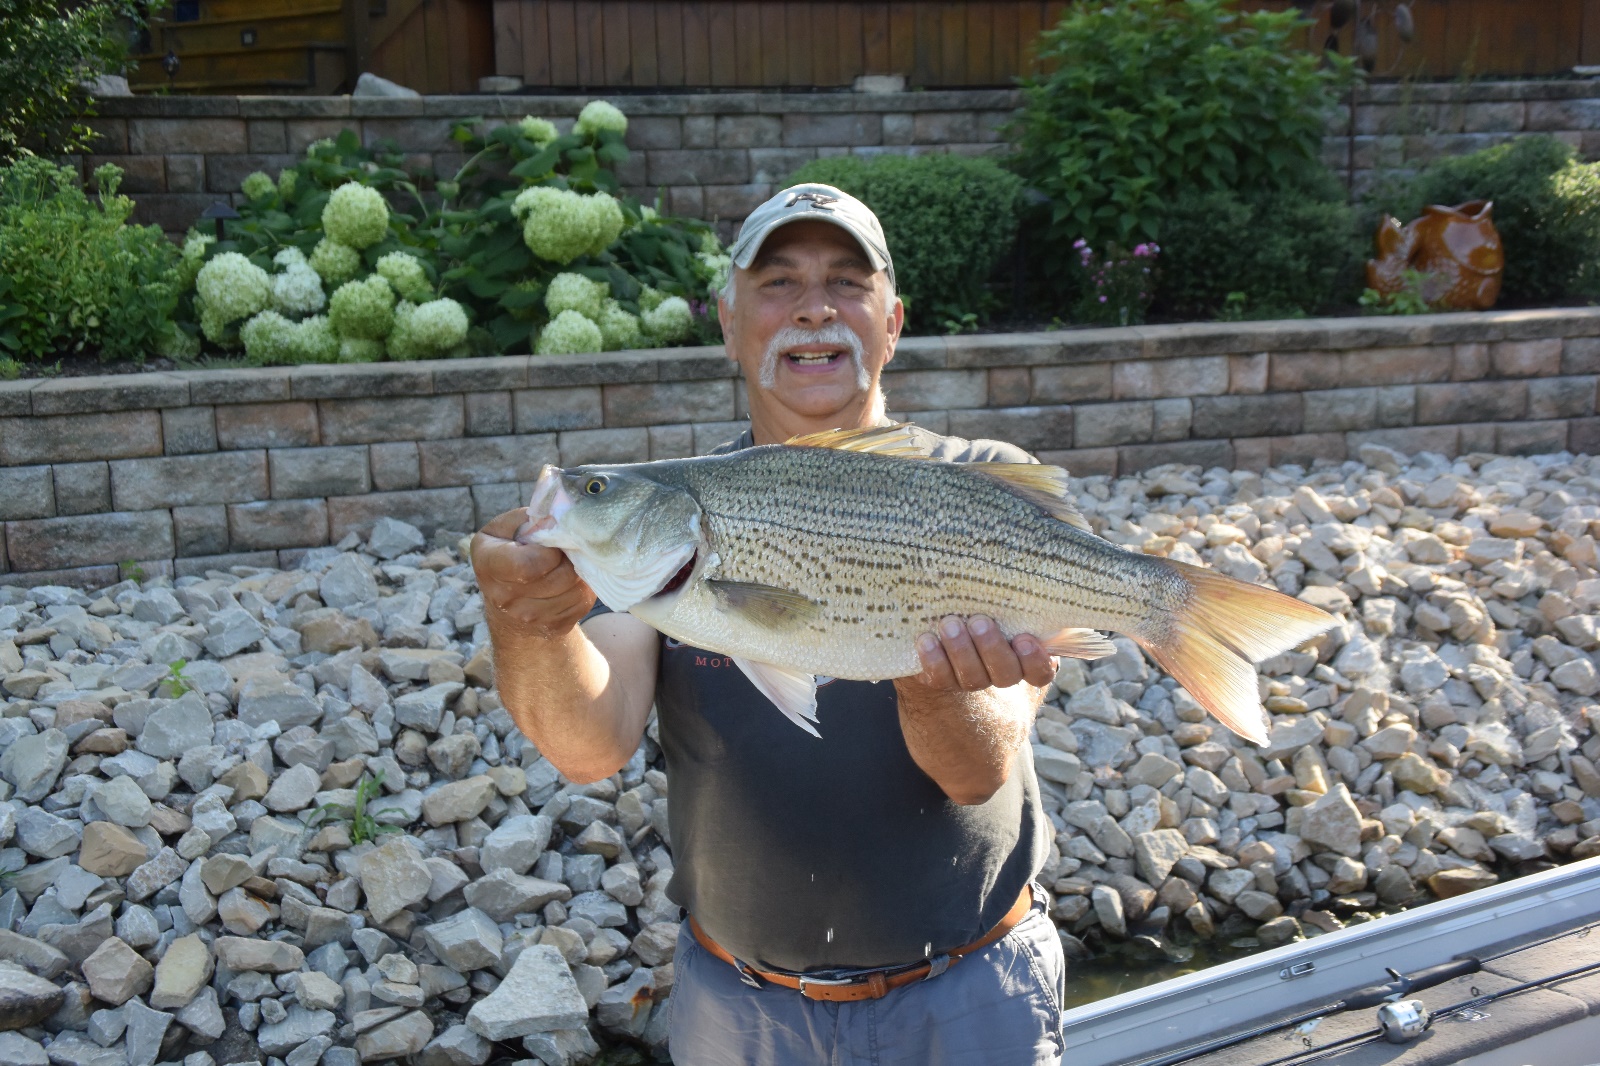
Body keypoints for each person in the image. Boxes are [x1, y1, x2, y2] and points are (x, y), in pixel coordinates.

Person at [472, 184, 1068, 1065]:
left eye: (846, 283)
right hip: (739, 1015)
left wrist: (925, 668)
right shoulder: (665, 524)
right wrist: (527, 624)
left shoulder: (981, 485)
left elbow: (974, 772)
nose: (814, 308)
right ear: (728, 323)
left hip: (969, 994)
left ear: (892, 323)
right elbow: (587, 746)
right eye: (779, 282)